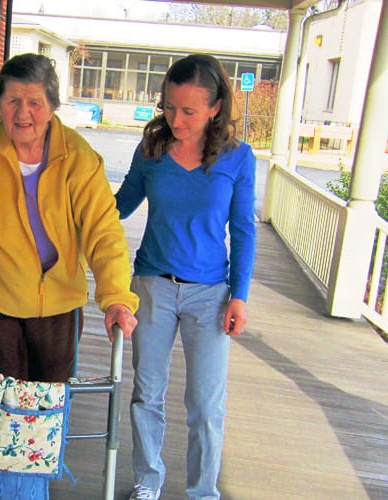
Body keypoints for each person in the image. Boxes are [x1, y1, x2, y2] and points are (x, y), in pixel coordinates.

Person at [0, 53, 138, 383]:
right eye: (13, 100)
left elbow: (104, 232)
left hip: (59, 305)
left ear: (53, 105)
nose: (23, 113)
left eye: (35, 103)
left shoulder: (79, 158)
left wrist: (115, 297)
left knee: (49, 411)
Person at [115, 54, 256, 500]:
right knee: (146, 395)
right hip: (153, 286)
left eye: (189, 110)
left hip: (211, 296)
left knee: (206, 405)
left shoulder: (238, 158)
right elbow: (119, 206)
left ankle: (202, 492)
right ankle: (147, 482)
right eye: (169, 107)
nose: (176, 119)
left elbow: (244, 230)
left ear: (215, 108)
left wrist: (240, 295)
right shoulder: (151, 151)